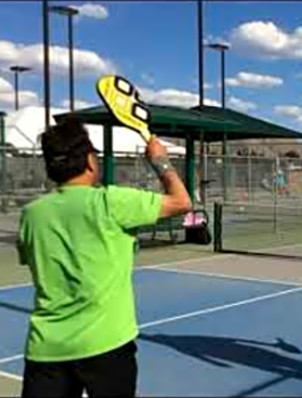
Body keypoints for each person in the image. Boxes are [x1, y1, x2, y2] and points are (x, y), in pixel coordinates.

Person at [17, 118, 192, 397]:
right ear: (89, 160)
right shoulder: (112, 202)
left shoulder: (31, 215)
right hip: (107, 346)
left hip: (47, 349)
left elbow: (33, 260)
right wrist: (161, 161)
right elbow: (182, 202)